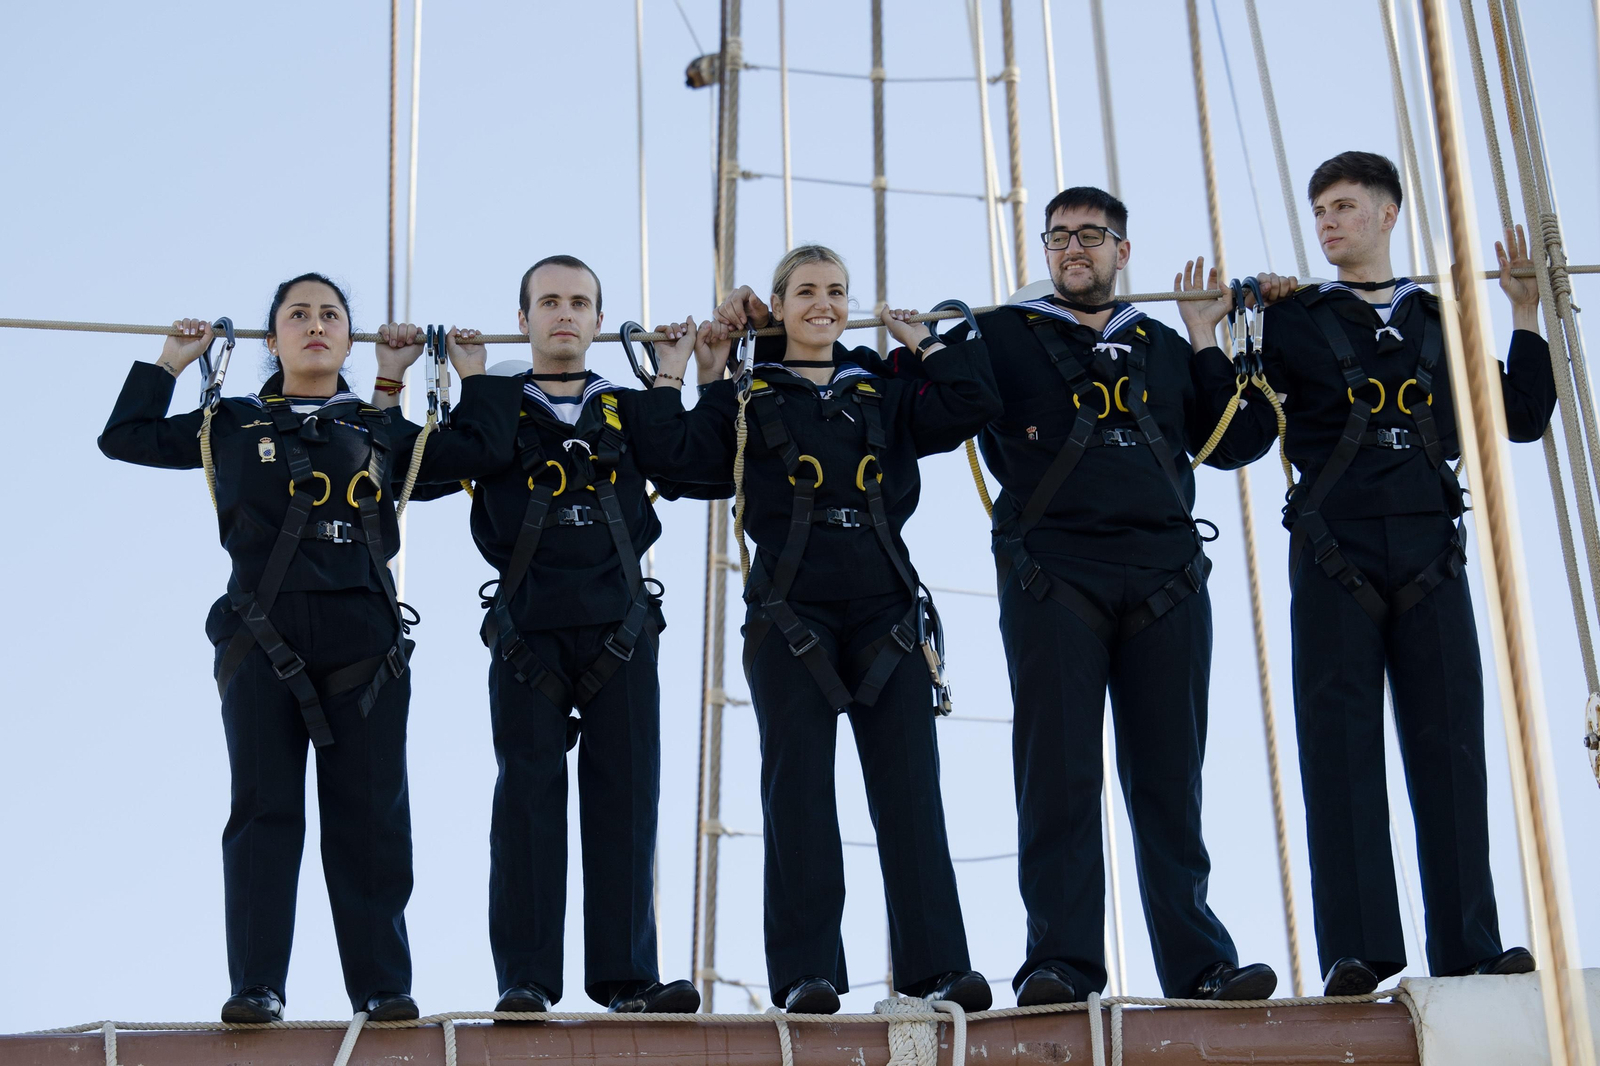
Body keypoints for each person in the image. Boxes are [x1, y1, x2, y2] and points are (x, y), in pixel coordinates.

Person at [98, 273, 522, 1022]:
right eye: (298, 315)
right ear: (273, 340)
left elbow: (484, 452)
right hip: (263, 637)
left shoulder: (381, 432)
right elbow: (124, 438)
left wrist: (473, 373)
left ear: (347, 337)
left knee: (371, 819)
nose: (316, 325)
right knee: (264, 812)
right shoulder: (226, 425)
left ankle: (383, 987)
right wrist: (169, 363)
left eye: (331, 315)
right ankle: (257, 985)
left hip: (365, 640)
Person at [917, 187, 1281, 1005]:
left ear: (1123, 249)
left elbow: (1239, 441)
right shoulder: (1002, 333)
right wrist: (924, 349)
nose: (1073, 248)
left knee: (1167, 785)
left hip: (1166, 577)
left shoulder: (1159, 341)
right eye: (1059, 237)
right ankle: (1061, 963)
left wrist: (1205, 337)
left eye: (1091, 235)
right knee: (1059, 779)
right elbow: (940, 416)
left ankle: (1201, 967)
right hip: (1055, 576)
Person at [635, 243, 1000, 1014]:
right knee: (797, 794)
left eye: (836, 291)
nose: (824, 304)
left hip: (884, 606)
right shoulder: (745, 397)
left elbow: (972, 404)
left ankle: (937, 968)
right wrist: (694, 369)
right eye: (805, 291)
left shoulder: (882, 387)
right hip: (790, 609)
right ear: (780, 305)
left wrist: (922, 343)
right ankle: (808, 973)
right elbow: (673, 463)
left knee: (909, 794)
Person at [1253, 151, 1550, 995]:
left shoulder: (1440, 319)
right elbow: (1237, 430)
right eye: (1319, 213)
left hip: (1430, 554)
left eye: (1344, 207)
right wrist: (1236, 325)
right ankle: (1358, 948)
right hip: (1334, 551)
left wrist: (1524, 314)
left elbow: (1518, 418)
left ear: (1387, 214)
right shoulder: (1295, 317)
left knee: (1451, 746)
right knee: (1338, 748)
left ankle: (1471, 946)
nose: (1328, 225)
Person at [449, 255, 716, 1015]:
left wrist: (674, 376)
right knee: (526, 802)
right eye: (548, 302)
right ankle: (526, 979)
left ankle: (628, 977)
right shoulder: (501, 406)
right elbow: (438, 466)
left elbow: (696, 466)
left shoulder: (629, 409)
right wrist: (471, 385)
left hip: (620, 627)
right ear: (525, 318)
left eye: (579, 302)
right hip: (528, 631)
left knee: (626, 800)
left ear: (600, 321)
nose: (564, 313)